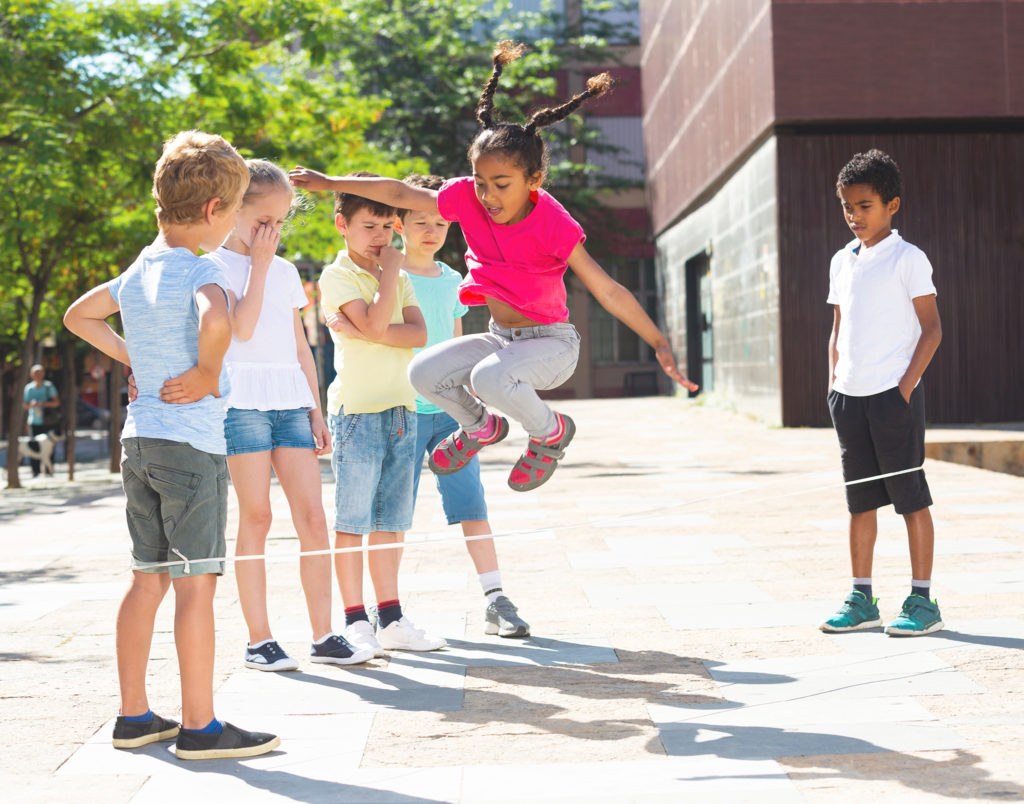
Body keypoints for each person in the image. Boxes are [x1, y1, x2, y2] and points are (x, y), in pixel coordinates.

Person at [290, 41, 697, 494]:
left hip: (552, 346)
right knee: (422, 372)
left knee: (487, 376)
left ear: (534, 180)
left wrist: (658, 341)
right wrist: (329, 183)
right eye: (481, 183)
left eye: (502, 185)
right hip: (502, 341)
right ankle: (481, 428)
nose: (488, 196)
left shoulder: (553, 223)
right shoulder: (467, 197)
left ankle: (550, 432)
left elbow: (607, 290)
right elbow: (403, 195)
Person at [63, 130, 279, 759]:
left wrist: (136, 357)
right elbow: (222, 323)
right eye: (234, 213)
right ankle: (201, 726)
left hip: (141, 445)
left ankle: (133, 717)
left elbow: (79, 315)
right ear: (215, 211)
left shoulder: (139, 268)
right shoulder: (202, 267)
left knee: (146, 578)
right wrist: (209, 373)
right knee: (196, 584)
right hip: (191, 447)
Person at [329, 173, 530, 638]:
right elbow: (370, 329)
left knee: (472, 504)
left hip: (449, 412)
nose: (431, 230)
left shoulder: (455, 279)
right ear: (398, 224)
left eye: (441, 222)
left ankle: (496, 597)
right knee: (392, 519)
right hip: (399, 412)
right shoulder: (384, 276)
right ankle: (388, 611)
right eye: (420, 221)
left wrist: (473, 400)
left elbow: (455, 346)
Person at [200, 159, 371, 671]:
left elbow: (300, 346)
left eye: (279, 222)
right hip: (240, 405)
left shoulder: (286, 270)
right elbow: (243, 330)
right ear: (231, 212)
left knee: (314, 518)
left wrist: (315, 408)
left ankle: (324, 635)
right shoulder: (211, 267)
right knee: (257, 517)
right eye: (261, 222)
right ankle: (259, 640)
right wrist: (256, 264)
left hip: (290, 404)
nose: (270, 232)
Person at [317, 173, 446, 655]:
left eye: (388, 228)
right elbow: (378, 322)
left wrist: (371, 327)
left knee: (392, 520)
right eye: (369, 226)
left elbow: (417, 335)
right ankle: (355, 620)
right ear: (342, 225)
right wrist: (388, 279)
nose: (381, 237)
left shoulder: (401, 276)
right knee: (352, 520)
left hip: (402, 409)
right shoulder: (338, 276)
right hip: (356, 414)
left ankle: (390, 617)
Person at [820, 149, 943, 637]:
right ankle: (862, 597)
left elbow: (931, 330)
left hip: (893, 398)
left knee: (911, 498)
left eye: (865, 206)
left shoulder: (909, 259)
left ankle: (922, 600)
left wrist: (904, 388)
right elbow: (838, 327)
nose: (854, 216)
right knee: (860, 503)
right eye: (847, 206)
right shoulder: (840, 261)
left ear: (892, 205)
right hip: (848, 398)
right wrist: (834, 383)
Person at [23, 364, 60, 476]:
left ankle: (49, 470)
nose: (38, 375)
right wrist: (31, 405)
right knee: (34, 446)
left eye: (40, 372)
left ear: (44, 374)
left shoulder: (49, 386)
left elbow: (56, 402)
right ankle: (36, 471)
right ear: (31, 375)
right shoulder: (28, 388)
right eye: (36, 373)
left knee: (49, 447)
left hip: (48, 421)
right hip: (34, 421)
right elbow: (25, 405)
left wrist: (43, 404)